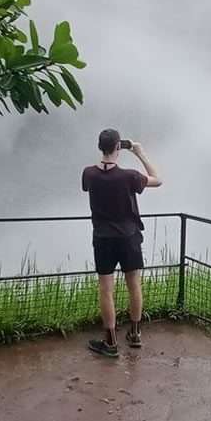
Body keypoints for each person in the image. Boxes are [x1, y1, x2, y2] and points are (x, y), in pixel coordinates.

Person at [82, 128, 163, 357]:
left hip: (103, 237)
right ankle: (135, 334)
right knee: (134, 285)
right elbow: (158, 180)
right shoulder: (129, 176)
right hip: (129, 237)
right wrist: (140, 153)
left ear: (100, 146)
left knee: (106, 289)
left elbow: (92, 183)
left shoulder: (89, 174)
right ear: (119, 147)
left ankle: (110, 343)